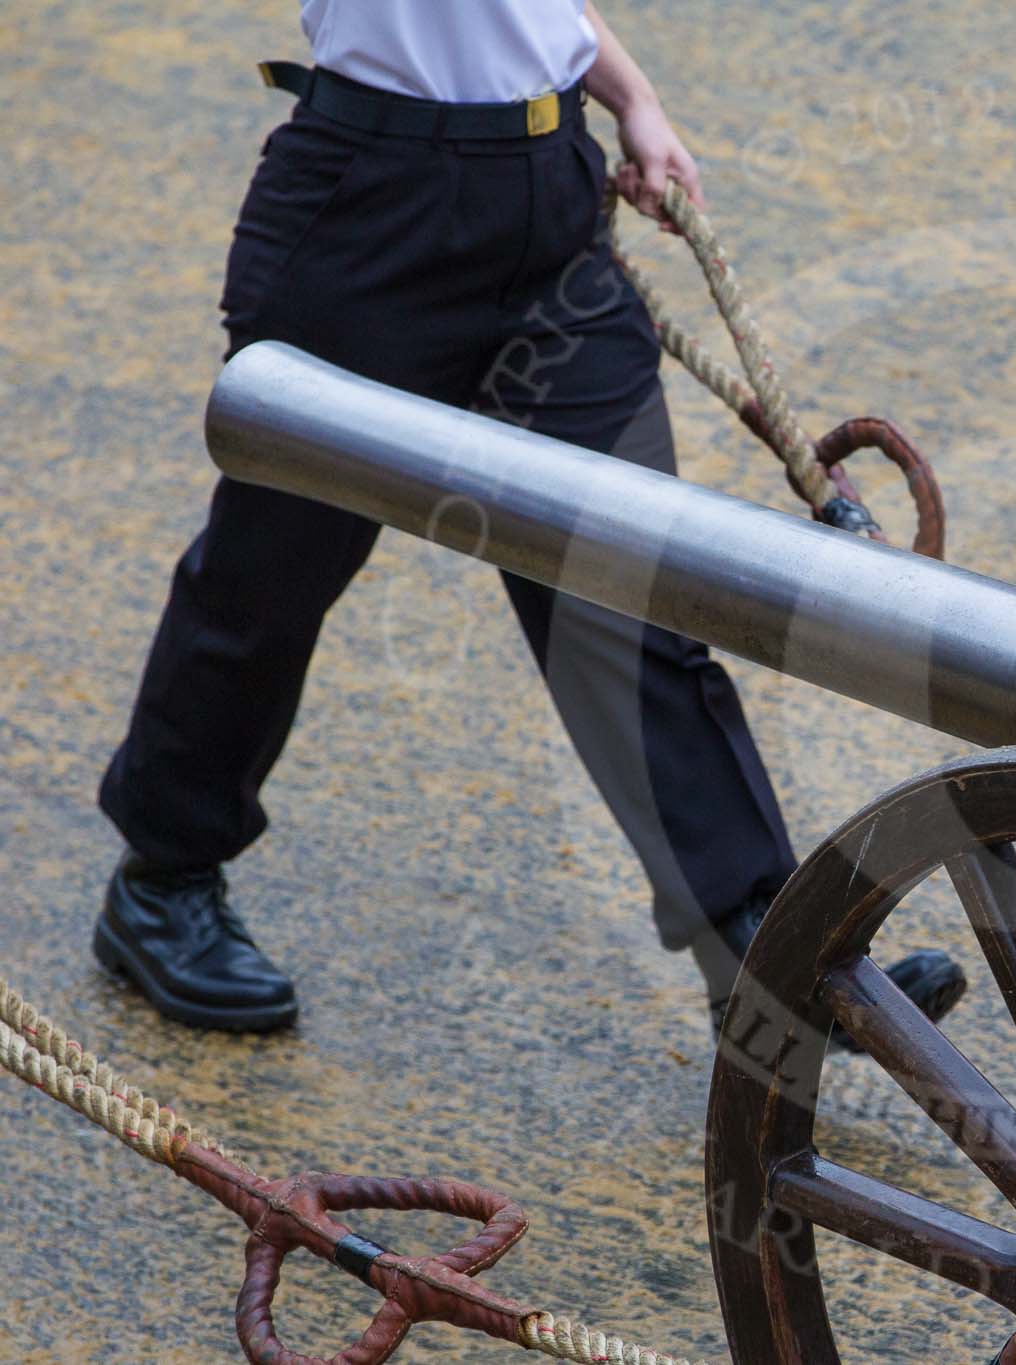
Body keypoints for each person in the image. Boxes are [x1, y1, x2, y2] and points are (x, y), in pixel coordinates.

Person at [93, 0, 966, 1040]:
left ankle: (754, 941)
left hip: (549, 206)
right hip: (370, 208)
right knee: (271, 574)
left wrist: (631, 96)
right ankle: (163, 880)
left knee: (629, 588)